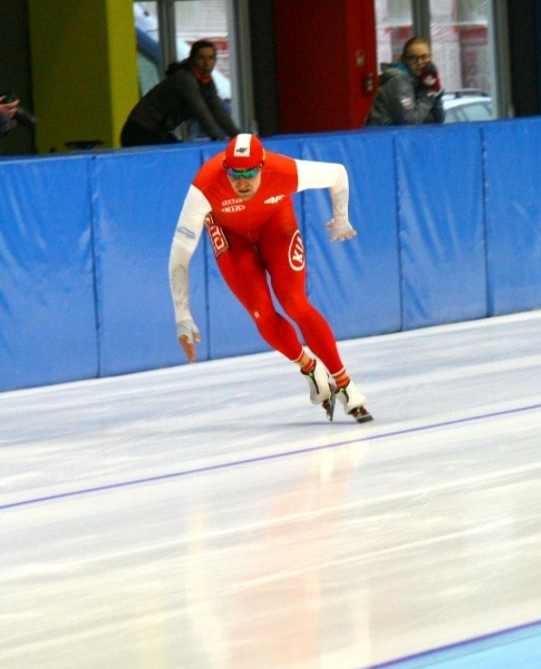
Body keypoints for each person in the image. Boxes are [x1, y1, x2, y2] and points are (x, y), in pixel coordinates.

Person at [168, 133, 372, 422]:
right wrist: (182, 315)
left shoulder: (284, 170)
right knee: (262, 314)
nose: (242, 182)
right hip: (232, 237)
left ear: (262, 166)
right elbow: (179, 254)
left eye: (250, 173)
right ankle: (309, 368)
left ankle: (345, 383)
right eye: (234, 174)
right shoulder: (204, 186)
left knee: (294, 303)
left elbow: (337, 173)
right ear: (224, 168)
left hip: (276, 226)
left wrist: (341, 217)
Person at [121, 39, 239, 147]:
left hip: (157, 132)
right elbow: (201, 112)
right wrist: (219, 139)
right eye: (201, 58)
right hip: (139, 132)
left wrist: (239, 137)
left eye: (211, 58)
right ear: (192, 59)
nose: (207, 63)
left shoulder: (206, 82)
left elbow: (219, 111)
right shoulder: (185, 79)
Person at [362, 37, 445, 127]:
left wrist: (434, 91)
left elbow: (438, 120)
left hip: (396, 138)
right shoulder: (398, 80)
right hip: (382, 138)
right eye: (412, 58)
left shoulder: (420, 80)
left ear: (430, 58)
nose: (419, 62)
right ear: (404, 59)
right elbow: (409, 122)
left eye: (424, 57)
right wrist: (429, 94)